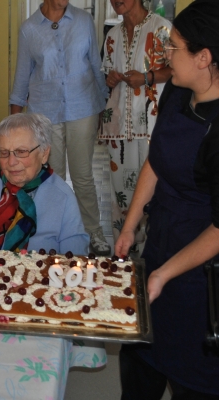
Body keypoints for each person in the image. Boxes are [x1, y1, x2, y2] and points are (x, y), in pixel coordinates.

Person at [115, 0, 219, 398]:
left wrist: (164, 274)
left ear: (204, 57)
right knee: (140, 362)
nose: (164, 55)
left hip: (198, 274)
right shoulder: (177, 92)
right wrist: (129, 227)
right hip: (158, 248)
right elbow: (155, 164)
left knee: (191, 378)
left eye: (174, 47)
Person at [9, 0, 110, 255]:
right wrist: (15, 123)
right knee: (51, 178)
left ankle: (93, 232)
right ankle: (50, 232)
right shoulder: (29, 29)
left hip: (83, 107)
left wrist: (103, 103)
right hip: (45, 114)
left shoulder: (84, 21)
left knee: (83, 175)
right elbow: (22, 75)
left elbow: (96, 66)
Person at [0, 113, 89, 255]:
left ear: (44, 154)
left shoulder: (62, 197)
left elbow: (74, 259)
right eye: (4, 152)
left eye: (21, 152)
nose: (11, 162)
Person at [100, 0, 172, 250]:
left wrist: (147, 77)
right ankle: (123, 250)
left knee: (152, 191)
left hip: (152, 124)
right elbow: (108, 75)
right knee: (120, 192)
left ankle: (149, 251)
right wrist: (111, 78)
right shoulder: (112, 35)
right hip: (118, 127)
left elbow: (176, 70)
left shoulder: (161, 28)